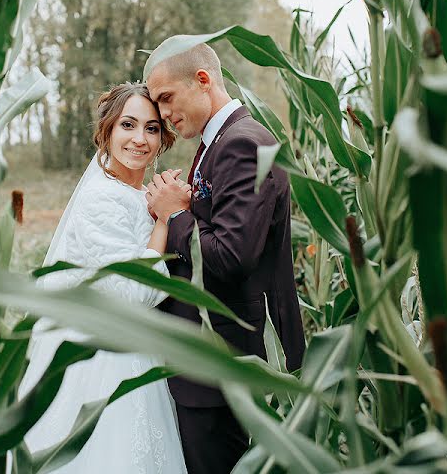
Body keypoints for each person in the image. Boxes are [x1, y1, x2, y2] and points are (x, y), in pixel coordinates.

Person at [144, 41, 306, 474]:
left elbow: (232, 256)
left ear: (202, 80)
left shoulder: (242, 144)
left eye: (166, 99)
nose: (162, 116)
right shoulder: (218, 144)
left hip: (225, 363)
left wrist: (176, 213)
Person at [16, 82, 189, 473]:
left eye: (151, 128)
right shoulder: (100, 199)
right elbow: (131, 292)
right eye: (128, 125)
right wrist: (163, 220)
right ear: (107, 132)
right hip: (98, 360)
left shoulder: (134, 192)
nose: (139, 139)